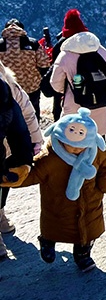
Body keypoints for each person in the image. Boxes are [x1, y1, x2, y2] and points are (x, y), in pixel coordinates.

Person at [2, 108, 106, 271]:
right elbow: (34, 174)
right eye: (71, 145)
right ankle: (47, 241)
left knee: (87, 230)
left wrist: (103, 186)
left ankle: (83, 254)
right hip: (57, 203)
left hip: (90, 200)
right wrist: (15, 177)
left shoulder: (97, 152)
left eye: (81, 146)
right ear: (60, 138)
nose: (77, 149)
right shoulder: (50, 157)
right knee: (54, 227)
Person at [0, 60, 43, 257]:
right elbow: (27, 113)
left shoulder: (7, 84)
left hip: (6, 147)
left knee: (3, 183)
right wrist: (35, 143)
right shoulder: (7, 82)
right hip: (8, 146)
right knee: (3, 183)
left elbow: (25, 113)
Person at [50, 30, 106, 136]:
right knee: (98, 135)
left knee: (75, 137)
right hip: (101, 99)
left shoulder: (65, 55)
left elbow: (55, 83)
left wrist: (68, 90)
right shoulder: (101, 50)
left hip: (75, 103)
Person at [0, 19, 50, 120]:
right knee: (32, 114)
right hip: (31, 87)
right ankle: (34, 128)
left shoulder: (0, 45)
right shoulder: (32, 43)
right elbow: (44, 65)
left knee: (11, 115)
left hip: (9, 88)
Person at [48, 9, 90, 121]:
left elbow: (55, 79)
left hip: (69, 92)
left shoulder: (60, 46)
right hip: (93, 90)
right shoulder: (91, 43)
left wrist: (64, 91)